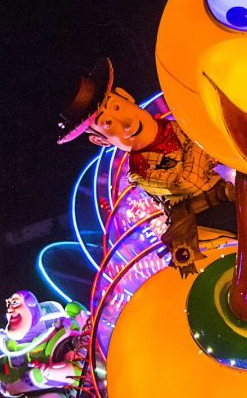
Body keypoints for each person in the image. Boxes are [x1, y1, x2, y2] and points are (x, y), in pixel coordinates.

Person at [57, 58, 235, 275]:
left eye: (117, 107)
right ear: (100, 141)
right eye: (108, 123)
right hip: (207, 216)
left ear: (126, 96)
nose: (127, 123)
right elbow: (189, 182)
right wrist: (198, 139)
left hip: (230, 193)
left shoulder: (175, 125)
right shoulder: (141, 171)